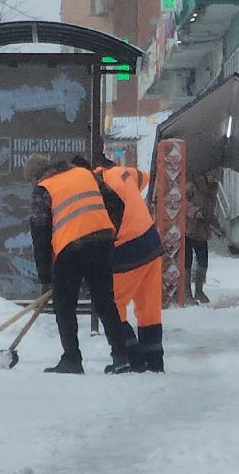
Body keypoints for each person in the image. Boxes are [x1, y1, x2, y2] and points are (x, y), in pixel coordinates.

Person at [29, 155, 136, 375]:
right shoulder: (84, 173)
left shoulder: (43, 188)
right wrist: (109, 232)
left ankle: (72, 359)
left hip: (71, 248)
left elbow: (40, 234)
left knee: (65, 305)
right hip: (101, 241)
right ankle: (121, 357)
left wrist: (45, 278)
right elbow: (116, 203)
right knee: (104, 300)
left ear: (35, 175)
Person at [96, 154, 164, 372]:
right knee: (149, 309)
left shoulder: (103, 184)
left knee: (114, 305)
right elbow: (144, 178)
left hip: (127, 250)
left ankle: (132, 359)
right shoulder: (127, 174)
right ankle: (154, 362)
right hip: (152, 244)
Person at [183, 172, 223, 304]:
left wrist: (217, 228)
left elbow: (210, 214)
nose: (215, 175)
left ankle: (199, 291)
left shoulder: (213, 190)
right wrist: (195, 211)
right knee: (186, 262)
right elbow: (182, 202)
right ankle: (187, 292)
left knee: (203, 263)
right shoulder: (193, 185)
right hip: (188, 230)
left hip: (202, 232)